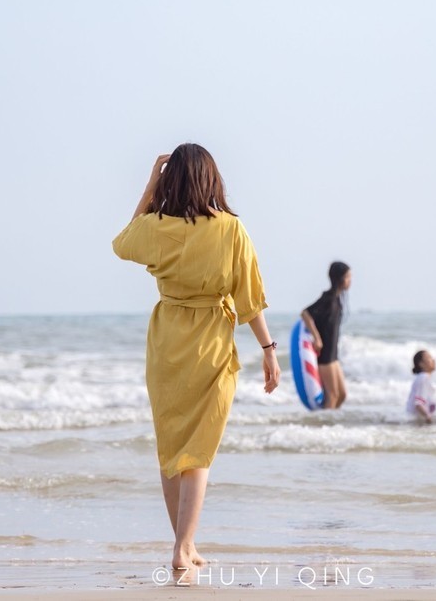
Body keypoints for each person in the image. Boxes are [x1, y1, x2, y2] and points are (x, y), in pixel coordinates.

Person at [112, 145, 281, 582]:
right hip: (210, 342)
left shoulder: (154, 227)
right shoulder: (231, 230)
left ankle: (182, 544)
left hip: (167, 341)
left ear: (170, 182)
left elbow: (122, 243)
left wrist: (149, 186)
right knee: (199, 450)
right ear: (213, 179)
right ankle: (183, 547)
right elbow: (249, 299)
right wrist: (268, 350)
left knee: (173, 449)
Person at [300, 261, 352, 409]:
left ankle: (330, 423)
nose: (350, 280)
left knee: (342, 395)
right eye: (348, 277)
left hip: (333, 356)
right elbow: (305, 313)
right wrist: (317, 338)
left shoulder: (338, 299)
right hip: (324, 356)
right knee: (332, 395)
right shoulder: (328, 298)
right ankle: (323, 429)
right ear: (339, 279)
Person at [407, 350, 436, 424]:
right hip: (417, 423)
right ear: (421, 364)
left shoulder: (422, 377)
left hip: (416, 421)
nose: (433, 360)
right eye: (429, 358)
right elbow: (418, 403)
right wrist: (428, 417)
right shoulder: (423, 378)